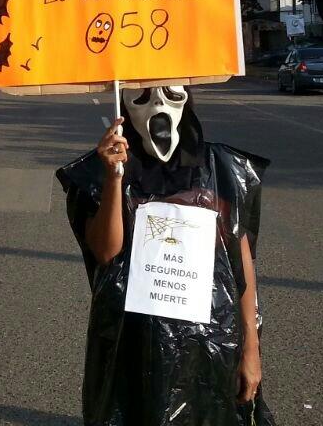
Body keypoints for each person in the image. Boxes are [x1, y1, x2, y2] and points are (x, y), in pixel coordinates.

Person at [57, 86, 274, 425]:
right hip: (132, 345)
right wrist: (113, 178)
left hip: (209, 343)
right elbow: (105, 252)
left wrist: (251, 349)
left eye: (171, 93)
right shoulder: (101, 170)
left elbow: (240, 261)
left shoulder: (219, 168)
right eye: (142, 95)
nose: (158, 103)